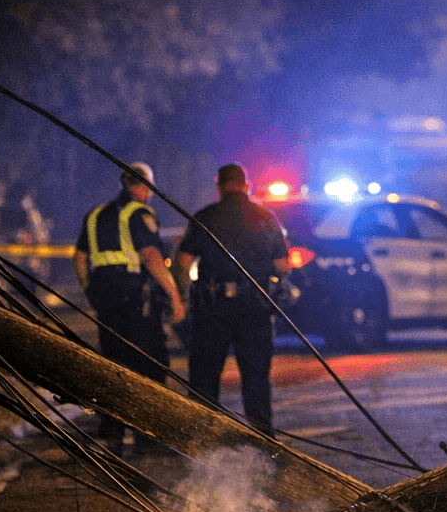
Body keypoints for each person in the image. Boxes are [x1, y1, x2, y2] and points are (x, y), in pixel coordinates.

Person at [73, 161, 187, 453]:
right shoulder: (139, 213)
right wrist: (174, 296)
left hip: (106, 303)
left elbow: (79, 259)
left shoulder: (95, 214)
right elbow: (151, 256)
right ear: (142, 186)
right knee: (149, 364)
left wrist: (91, 293)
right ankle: (147, 439)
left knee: (113, 366)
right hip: (136, 302)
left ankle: (113, 434)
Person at [176, 163, 290, 435]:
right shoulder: (265, 216)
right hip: (255, 307)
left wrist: (182, 297)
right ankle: (263, 439)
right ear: (246, 186)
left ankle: (202, 438)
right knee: (256, 378)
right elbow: (283, 265)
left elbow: (183, 261)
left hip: (212, 308)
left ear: (219, 186)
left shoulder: (206, 216)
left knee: (204, 378)